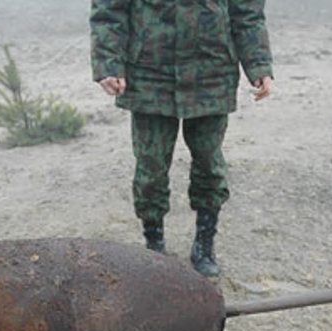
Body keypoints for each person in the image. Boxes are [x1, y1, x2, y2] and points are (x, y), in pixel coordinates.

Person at [89, 0, 274, 277]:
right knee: (150, 168)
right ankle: (153, 243)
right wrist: (108, 63)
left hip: (211, 70)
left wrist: (259, 65)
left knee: (209, 164)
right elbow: (109, 10)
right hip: (149, 72)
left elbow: (247, 12)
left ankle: (205, 242)